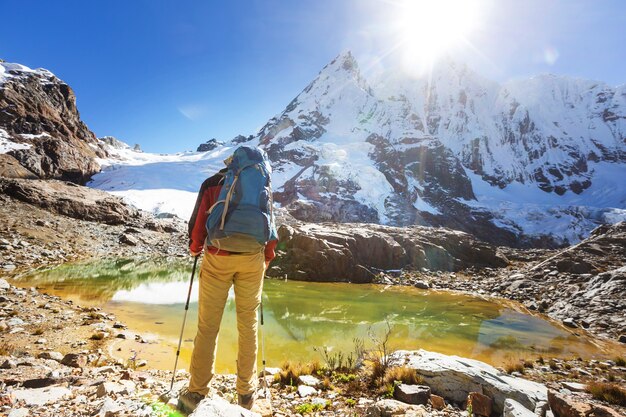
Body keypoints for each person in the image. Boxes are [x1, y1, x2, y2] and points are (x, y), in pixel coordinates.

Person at [178, 150, 278, 413]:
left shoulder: (213, 183)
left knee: (208, 326)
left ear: (231, 163)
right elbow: (271, 230)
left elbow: (196, 230)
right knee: (248, 325)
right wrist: (265, 257)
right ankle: (246, 394)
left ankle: (197, 391)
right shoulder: (261, 184)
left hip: (218, 258)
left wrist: (196, 247)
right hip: (252, 260)